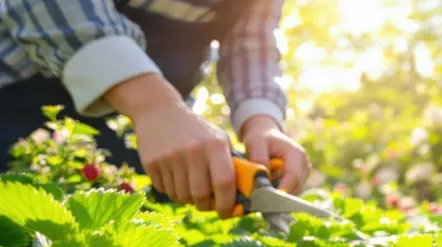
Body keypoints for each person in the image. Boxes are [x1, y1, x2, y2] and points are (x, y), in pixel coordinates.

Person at [0, 0, 310, 218]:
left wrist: (261, 121)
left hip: (149, 132)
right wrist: (153, 105)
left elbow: (252, 37)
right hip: (20, 96)